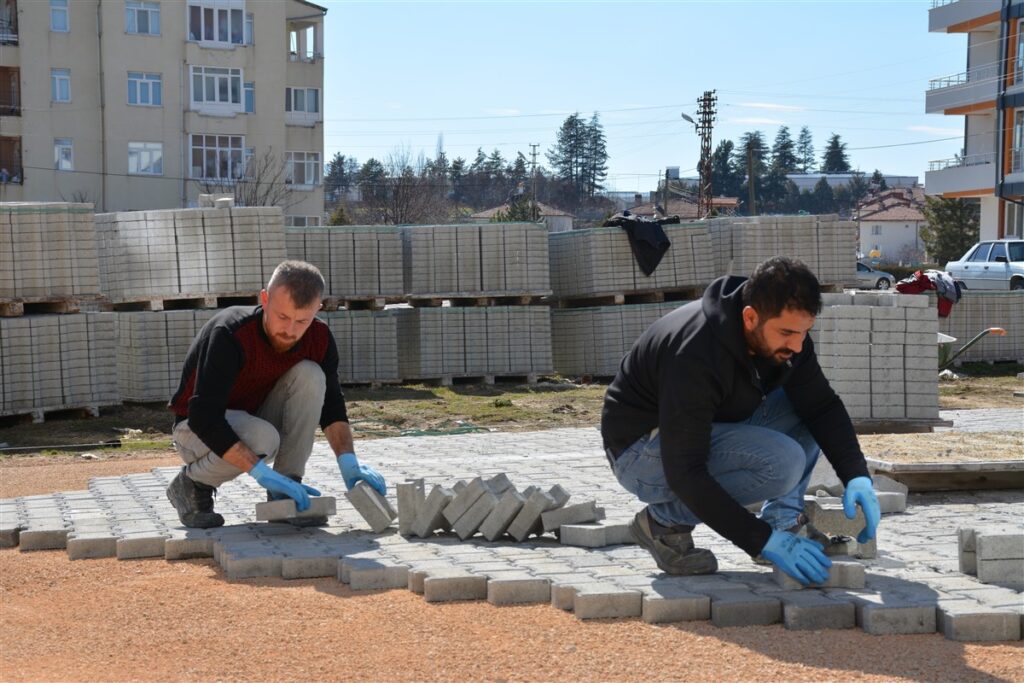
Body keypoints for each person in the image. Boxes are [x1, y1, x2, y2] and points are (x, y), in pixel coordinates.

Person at [601, 257, 880, 585]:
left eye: (804, 332)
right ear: (750, 318)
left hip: (699, 428)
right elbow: (685, 470)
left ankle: (783, 521)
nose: (797, 345)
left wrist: (856, 475)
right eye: (787, 333)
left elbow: (822, 407)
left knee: (804, 408)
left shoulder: (786, 340)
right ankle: (662, 524)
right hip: (641, 451)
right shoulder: (695, 354)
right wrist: (758, 539)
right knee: (781, 463)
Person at [166, 260, 386, 528]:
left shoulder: (319, 338)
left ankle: (286, 489)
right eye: (282, 317)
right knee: (263, 438)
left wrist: (348, 460)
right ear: (265, 298)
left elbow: (332, 406)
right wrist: (260, 473)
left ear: (318, 308)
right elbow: (204, 417)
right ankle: (192, 484)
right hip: (195, 431)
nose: (291, 331)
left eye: (302, 320)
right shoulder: (230, 333)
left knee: (311, 374)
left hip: (253, 421)